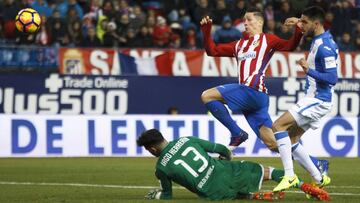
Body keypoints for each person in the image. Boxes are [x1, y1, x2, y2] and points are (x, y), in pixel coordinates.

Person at [199, 7, 302, 151]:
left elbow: (290, 45)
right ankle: (316, 164)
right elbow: (212, 51)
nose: (245, 23)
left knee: (207, 95)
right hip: (254, 101)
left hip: (253, 90)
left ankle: (237, 134)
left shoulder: (268, 39)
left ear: (260, 22)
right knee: (273, 144)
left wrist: (299, 27)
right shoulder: (238, 45)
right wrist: (206, 31)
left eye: (249, 19)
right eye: (244, 20)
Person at [137, 129, 330, 201]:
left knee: (229, 192)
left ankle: (257, 196)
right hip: (226, 172)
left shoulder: (161, 168)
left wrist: (156, 195)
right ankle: (308, 188)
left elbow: (167, 196)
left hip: (211, 194)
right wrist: (227, 158)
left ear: (152, 149)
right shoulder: (186, 140)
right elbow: (222, 149)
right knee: (268, 171)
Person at [272, 6, 338, 192]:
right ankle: (319, 178)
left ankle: (289, 176)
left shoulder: (325, 47)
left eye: (305, 22)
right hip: (315, 98)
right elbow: (304, 24)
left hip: (318, 99)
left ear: (316, 24)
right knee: (292, 139)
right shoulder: (318, 38)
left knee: (278, 126)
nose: (302, 25)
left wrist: (309, 71)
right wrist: (297, 21)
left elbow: (332, 79)